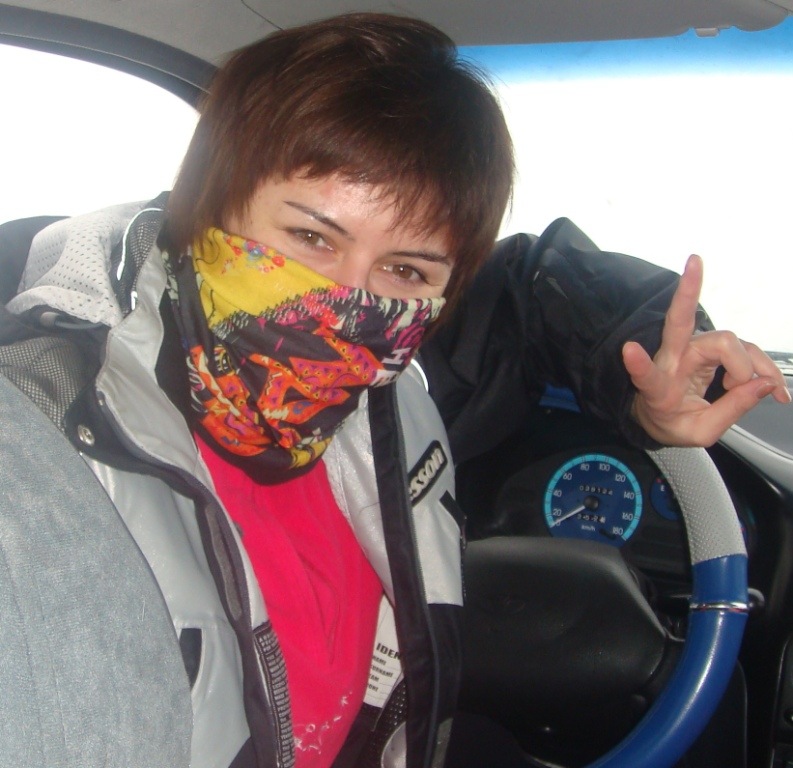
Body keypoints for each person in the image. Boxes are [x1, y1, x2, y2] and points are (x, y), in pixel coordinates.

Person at [0, 11, 788, 768]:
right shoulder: (44, 416)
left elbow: (527, 293)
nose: (346, 301)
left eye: (404, 268)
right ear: (207, 203)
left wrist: (645, 381)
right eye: (310, 236)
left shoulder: (389, 387)